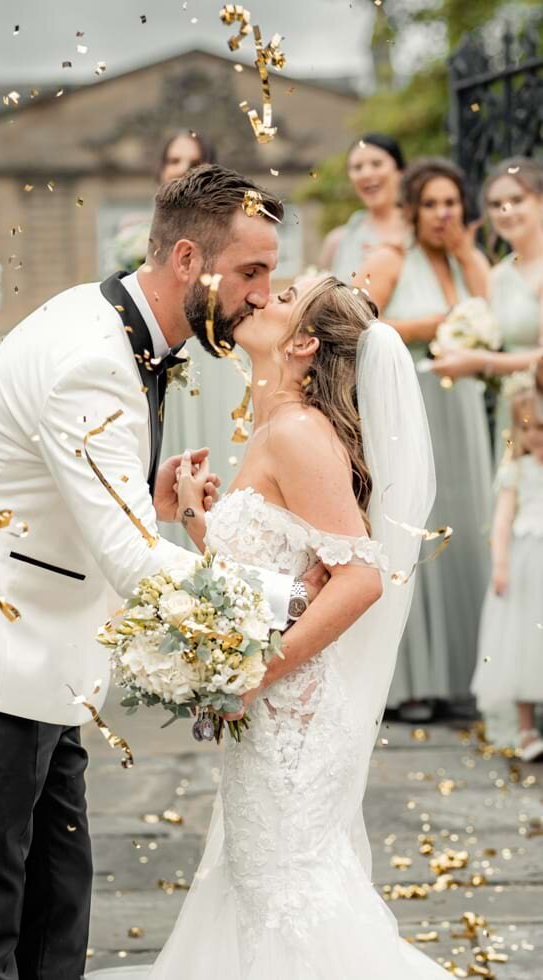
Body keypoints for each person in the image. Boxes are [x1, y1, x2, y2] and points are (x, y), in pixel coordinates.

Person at [0, 165, 326, 979]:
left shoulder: (114, 323)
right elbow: (123, 555)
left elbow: (65, 493)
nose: (264, 294)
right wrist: (284, 596)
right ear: (189, 259)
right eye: (252, 272)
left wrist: (143, 497)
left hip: (43, 660)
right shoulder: (91, 356)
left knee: (57, 914)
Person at [89, 278, 445, 979]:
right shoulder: (275, 427)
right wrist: (193, 518)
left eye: (281, 296)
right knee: (260, 883)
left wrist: (258, 670)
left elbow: (361, 578)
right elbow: (267, 588)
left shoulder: (297, 434)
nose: (257, 297)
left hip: (295, 718)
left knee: (288, 888)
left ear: (305, 343)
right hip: (269, 713)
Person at [356, 157, 492, 722]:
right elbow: (357, 319)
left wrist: (464, 252)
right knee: (416, 526)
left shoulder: (466, 261)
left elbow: (496, 313)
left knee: (467, 525)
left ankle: (464, 677)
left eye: (452, 203)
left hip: (460, 407)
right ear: (412, 209)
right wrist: (430, 325)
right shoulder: (391, 258)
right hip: (411, 406)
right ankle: (409, 682)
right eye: (431, 204)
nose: (442, 214)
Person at [431, 157, 543, 457]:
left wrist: (479, 360)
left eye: (517, 200)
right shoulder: (499, 276)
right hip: (514, 415)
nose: (505, 211)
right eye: (495, 204)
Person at [471, 385, 543, 761]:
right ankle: (526, 727)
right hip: (528, 563)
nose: (534, 436)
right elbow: (501, 522)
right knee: (523, 641)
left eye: (541, 428)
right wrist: (500, 564)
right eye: (527, 428)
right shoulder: (517, 471)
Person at [319, 133, 407, 283]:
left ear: (400, 172)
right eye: (357, 167)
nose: (366, 174)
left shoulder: (422, 231)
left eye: (377, 164)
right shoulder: (337, 242)